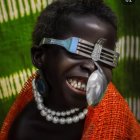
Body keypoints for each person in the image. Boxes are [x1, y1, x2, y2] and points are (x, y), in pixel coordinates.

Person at [0, 0, 140, 139]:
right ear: (40, 56)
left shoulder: (115, 116)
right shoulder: (25, 131)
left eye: (106, 57)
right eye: (78, 49)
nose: (91, 66)